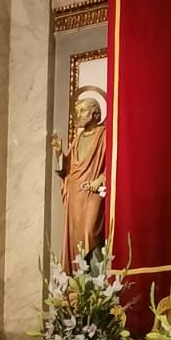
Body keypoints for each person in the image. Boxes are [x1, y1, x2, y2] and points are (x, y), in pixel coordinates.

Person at [50, 95, 108, 264]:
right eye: (77, 112)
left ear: (95, 113)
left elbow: (113, 164)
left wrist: (102, 179)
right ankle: (80, 280)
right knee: (75, 237)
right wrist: (60, 153)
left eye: (83, 111)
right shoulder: (78, 138)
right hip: (75, 193)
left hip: (93, 192)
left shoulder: (104, 135)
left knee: (90, 232)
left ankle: (98, 282)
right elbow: (67, 169)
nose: (79, 115)